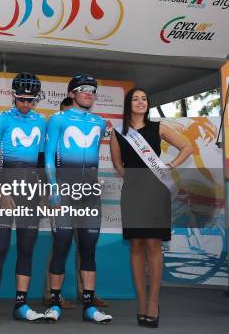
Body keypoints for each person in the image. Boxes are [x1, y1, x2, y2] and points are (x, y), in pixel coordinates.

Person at [110, 88, 192, 328]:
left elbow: (187, 147)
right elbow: (117, 164)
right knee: (136, 245)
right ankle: (141, 302)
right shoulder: (119, 133)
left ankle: (154, 303)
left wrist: (171, 166)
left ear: (148, 104)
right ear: (128, 104)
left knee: (153, 244)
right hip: (133, 194)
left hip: (156, 192)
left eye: (144, 99)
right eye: (135, 99)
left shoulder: (159, 128)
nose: (140, 102)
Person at [43, 74, 112, 324]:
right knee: (61, 245)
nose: (88, 93)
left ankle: (89, 306)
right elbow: (49, 156)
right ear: (71, 93)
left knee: (88, 249)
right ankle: (54, 303)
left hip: (90, 194)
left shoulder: (99, 122)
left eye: (92, 90)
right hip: (64, 191)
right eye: (82, 89)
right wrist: (53, 188)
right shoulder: (57, 119)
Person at [0, 72, 46, 324]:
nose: (26, 105)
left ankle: (21, 303)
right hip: (4, 186)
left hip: (30, 188)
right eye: (22, 100)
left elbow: (40, 161)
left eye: (31, 100)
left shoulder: (41, 121)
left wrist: (42, 191)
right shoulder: (2, 121)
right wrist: (2, 190)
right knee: (1, 246)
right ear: (13, 96)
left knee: (27, 248)